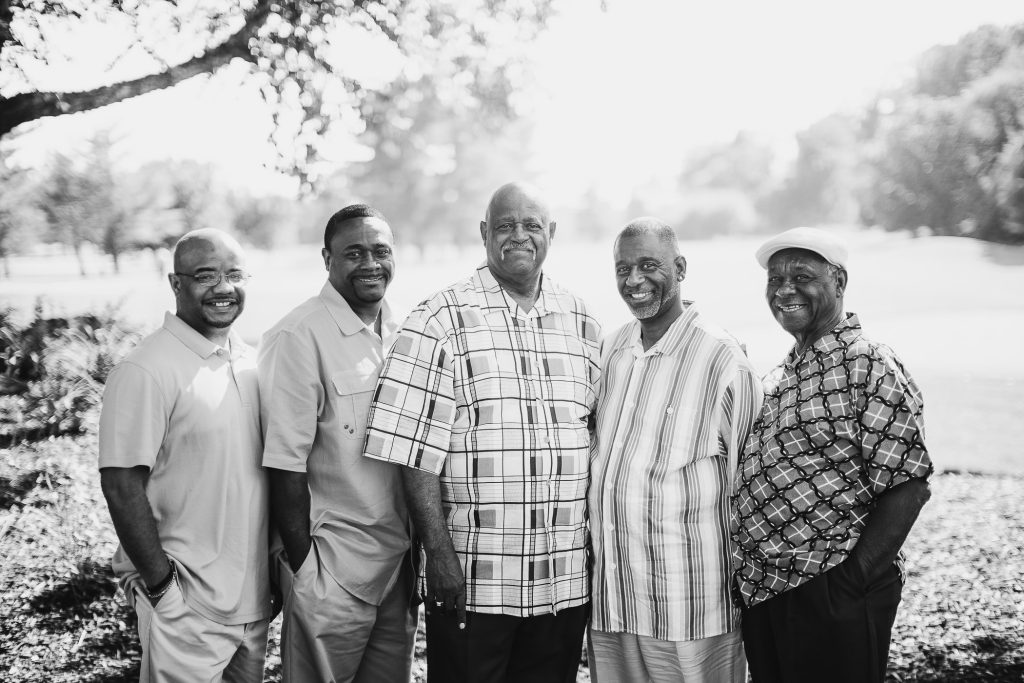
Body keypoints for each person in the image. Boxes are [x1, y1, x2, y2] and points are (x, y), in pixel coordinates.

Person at [363, 182, 601, 683]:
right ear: (484, 233)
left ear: (551, 234)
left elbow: (596, 435)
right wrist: (440, 555)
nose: (519, 236)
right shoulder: (438, 319)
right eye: (506, 225)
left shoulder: (581, 321)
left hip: (562, 582)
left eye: (531, 225)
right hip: (476, 578)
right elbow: (414, 455)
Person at [732, 227, 934, 683]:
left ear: (839, 283)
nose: (784, 289)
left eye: (802, 276)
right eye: (774, 279)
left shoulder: (869, 363)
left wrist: (851, 581)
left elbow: (909, 486)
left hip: (830, 589)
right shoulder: (784, 371)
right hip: (766, 592)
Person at [588, 218, 762, 683]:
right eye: (623, 268)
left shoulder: (723, 359)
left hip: (690, 605)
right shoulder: (611, 349)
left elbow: (748, 486)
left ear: (680, 267)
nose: (634, 280)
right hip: (615, 600)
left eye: (649, 266)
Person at [98, 229, 271, 682]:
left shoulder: (249, 362)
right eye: (205, 275)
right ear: (176, 284)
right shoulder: (145, 370)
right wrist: (163, 591)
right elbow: (120, 486)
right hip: (185, 605)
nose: (223, 288)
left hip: (251, 605)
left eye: (234, 274)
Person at [258, 205, 417, 682]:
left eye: (381, 251)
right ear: (326, 258)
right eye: (354, 253)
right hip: (334, 570)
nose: (370, 263)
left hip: (398, 569)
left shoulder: (403, 332)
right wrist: (307, 571)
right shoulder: (299, 336)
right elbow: (284, 465)